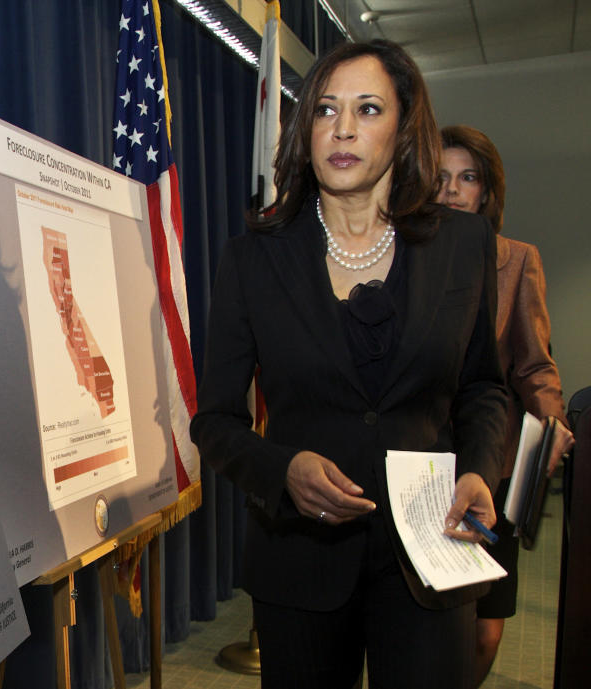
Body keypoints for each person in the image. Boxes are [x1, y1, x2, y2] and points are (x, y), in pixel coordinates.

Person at [190, 40, 507, 689]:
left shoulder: (464, 245)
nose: (342, 128)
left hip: (429, 552)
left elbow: (484, 389)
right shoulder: (253, 260)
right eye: (325, 110)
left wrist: (480, 471)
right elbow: (215, 423)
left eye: (367, 109)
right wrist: (284, 468)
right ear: (304, 127)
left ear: (404, 123)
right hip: (301, 561)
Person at [437, 125, 574, 688]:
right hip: (422, 466)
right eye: (440, 178)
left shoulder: (517, 261)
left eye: (467, 178)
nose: (451, 191)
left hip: (492, 468)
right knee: (430, 624)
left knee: (485, 631)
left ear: (486, 191)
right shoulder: (399, 257)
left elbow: (533, 363)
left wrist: (554, 420)